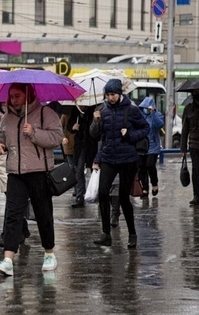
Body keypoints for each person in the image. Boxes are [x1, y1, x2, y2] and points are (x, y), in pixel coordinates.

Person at [0, 83, 63, 276]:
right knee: (13, 214)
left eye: (17, 96)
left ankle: (49, 253)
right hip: (15, 172)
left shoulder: (45, 113)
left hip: (39, 172)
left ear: (28, 94)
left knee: (43, 214)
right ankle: (8, 259)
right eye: (11, 96)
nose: (13, 100)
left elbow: (56, 138)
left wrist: (34, 133)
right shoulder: (6, 117)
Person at [91, 79, 150, 249]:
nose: (111, 98)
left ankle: (132, 233)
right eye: (108, 95)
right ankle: (106, 233)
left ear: (120, 94)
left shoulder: (131, 109)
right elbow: (97, 136)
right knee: (103, 193)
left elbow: (145, 129)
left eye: (113, 94)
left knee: (124, 197)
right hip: (109, 157)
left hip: (127, 159)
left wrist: (130, 134)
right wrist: (96, 121)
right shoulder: (103, 111)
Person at [67, 105, 98, 208]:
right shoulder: (75, 110)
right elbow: (69, 126)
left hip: (92, 145)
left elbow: (97, 131)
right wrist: (73, 127)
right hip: (80, 145)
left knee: (95, 170)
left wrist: (95, 120)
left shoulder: (94, 110)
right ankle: (80, 196)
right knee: (78, 169)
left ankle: (97, 194)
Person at [137, 96, 164, 198]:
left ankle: (154, 184)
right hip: (142, 146)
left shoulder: (157, 115)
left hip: (153, 146)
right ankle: (145, 189)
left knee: (150, 165)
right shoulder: (140, 116)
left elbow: (159, 125)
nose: (146, 109)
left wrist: (153, 114)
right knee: (142, 167)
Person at [180, 89, 199, 205]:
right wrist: (183, 149)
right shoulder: (188, 109)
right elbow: (184, 129)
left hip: (193, 144)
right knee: (196, 170)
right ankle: (196, 195)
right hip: (194, 145)